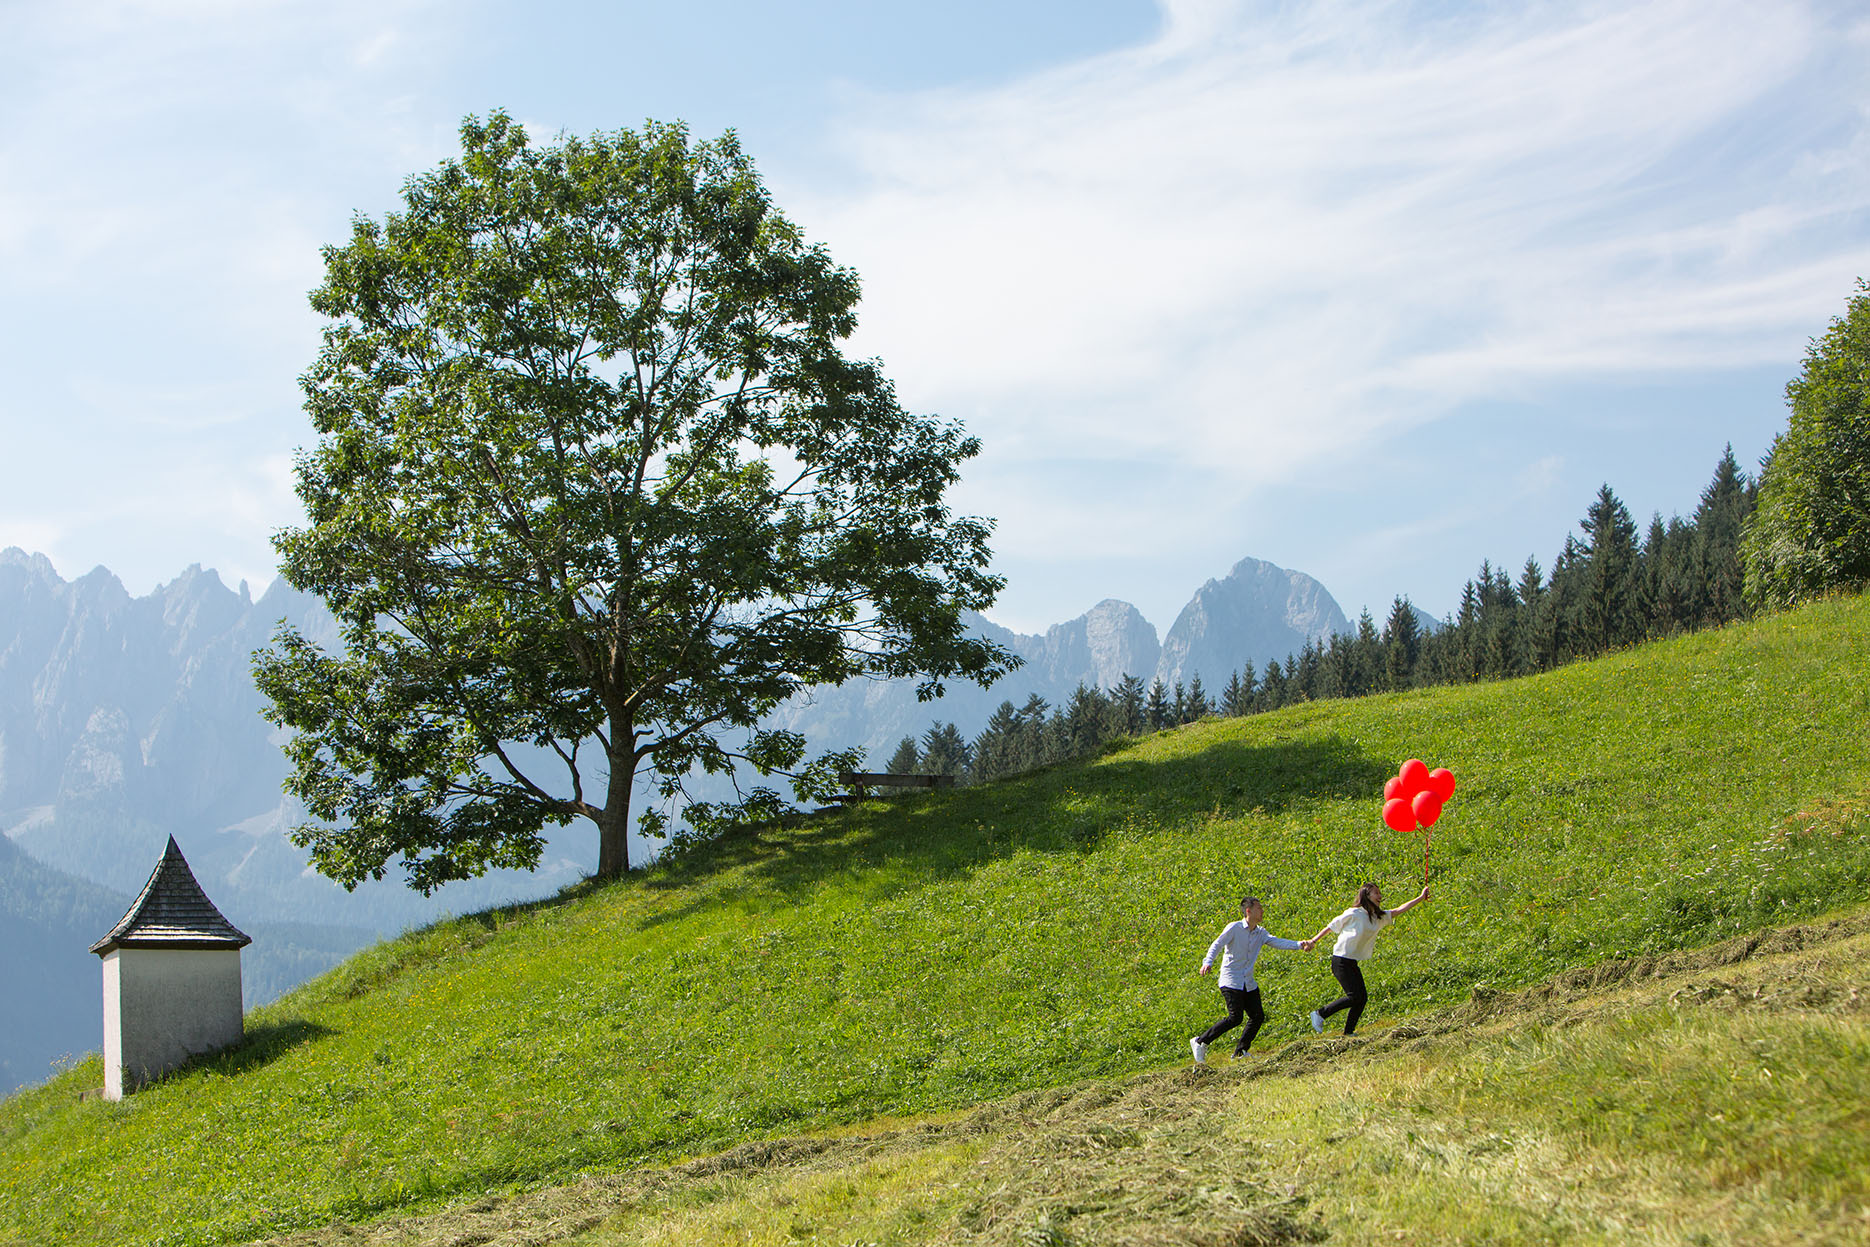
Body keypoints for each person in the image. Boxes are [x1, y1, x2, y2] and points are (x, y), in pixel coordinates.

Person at [1190, 895, 1307, 1065]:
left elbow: (1277, 942)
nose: (1262, 911)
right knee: (1235, 1017)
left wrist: (1299, 944)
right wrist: (1207, 962)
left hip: (1248, 982)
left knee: (1257, 1016)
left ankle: (1240, 1051)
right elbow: (1217, 944)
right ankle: (1201, 1041)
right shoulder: (1234, 928)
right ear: (1248, 911)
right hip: (1231, 979)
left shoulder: (1261, 933)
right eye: (1259, 908)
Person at [1303, 881, 1429, 1037]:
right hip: (1341, 960)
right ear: (1366, 895)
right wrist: (1313, 941)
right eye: (1376, 893)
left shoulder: (1377, 917)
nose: (1380, 896)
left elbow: (1399, 910)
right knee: (1354, 996)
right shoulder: (1354, 913)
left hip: (1351, 961)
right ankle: (1320, 1013)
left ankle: (1348, 1032)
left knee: (1361, 999)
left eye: (1379, 892)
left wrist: (1421, 897)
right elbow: (1331, 926)